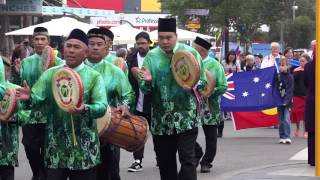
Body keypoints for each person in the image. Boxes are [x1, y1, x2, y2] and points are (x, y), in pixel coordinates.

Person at [16, 29, 107, 180]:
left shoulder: (94, 77)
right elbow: (36, 98)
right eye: (68, 46)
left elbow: (102, 106)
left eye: (76, 47)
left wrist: (85, 108)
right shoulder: (51, 74)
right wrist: (29, 97)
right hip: (55, 149)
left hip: (84, 150)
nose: (71, 50)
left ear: (86, 52)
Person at [137, 18, 207, 180]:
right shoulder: (151, 57)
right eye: (161, 38)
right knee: (165, 163)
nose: (165, 41)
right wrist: (147, 82)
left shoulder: (190, 53)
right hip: (161, 120)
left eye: (168, 37)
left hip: (186, 117)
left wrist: (193, 86)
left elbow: (203, 81)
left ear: (176, 36)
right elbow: (144, 87)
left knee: (188, 159)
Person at [84, 28, 134, 180]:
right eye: (91, 44)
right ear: (86, 46)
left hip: (108, 129)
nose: (95, 47)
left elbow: (128, 94)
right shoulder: (75, 69)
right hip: (81, 129)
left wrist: (125, 105)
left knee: (109, 172)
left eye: (100, 44)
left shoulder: (115, 71)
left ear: (107, 47)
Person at [14, 27, 64, 180]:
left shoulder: (60, 63)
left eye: (43, 39)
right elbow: (18, 86)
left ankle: (42, 176)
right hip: (31, 114)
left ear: (48, 41)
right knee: (30, 147)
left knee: (50, 150)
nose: (40, 42)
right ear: (32, 41)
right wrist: (17, 74)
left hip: (51, 115)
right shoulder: (26, 62)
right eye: (37, 39)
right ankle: (38, 174)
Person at [192, 37, 227, 173]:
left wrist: (209, 92)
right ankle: (196, 153)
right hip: (191, 107)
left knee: (211, 137)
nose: (191, 50)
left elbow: (223, 86)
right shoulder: (190, 63)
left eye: (194, 48)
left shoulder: (215, 65)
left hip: (210, 107)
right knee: (187, 135)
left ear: (201, 51)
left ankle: (207, 162)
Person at [127, 31, 158, 172]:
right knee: (138, 134)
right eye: (138, 43)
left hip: (153, 103)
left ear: (149, 43)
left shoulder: (155, 57)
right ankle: (137, 160)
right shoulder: (131, 58)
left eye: (143, 43)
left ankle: (160, 158)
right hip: (137, 102)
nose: (141, 46)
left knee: (157, 133)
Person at [0, 56, 29, 180]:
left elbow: (26, 115)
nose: (3, 73)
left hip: (8, 147)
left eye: (6, 70)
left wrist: (12, 117)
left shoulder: (16, 90)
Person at [219, 50, 240, 137]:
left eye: (233, 55)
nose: (232, 57)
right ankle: (221, 126)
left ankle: (230, 114)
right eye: (230, 55)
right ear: (228, 56)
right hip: (224, 84)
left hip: (233, 85)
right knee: (222, 103)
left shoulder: (236, 63)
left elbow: (239, 73)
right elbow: (220, 72)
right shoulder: (223, 62)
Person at [290, 53, 309, 139]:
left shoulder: (310, 70)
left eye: (303, 61)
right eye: (300, 61)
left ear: (307, 62)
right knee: (296, 112)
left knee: (306, 114)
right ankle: (297, 129)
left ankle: (306, 131)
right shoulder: (295, 70)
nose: (301, 63)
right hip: (296, 95)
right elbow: (292, 82)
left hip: (306, 95)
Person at [277, 57, 294, 144]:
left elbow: (290, 90)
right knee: (280, 120)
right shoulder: (278, 76)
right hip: (279, 101)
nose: (282, 67)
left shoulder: (290, 77)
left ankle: (287, 136)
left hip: (287, 102)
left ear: (288, 66)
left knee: (286, 118)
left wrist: (286, 101)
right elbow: (275, 89)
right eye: (280, 65)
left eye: (284, 65)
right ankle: (282, 136)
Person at [304, 52, 315, 166]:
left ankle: (313, 159)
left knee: (312, 131)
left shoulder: (308, 66)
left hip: (311, 99)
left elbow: (306, 83)